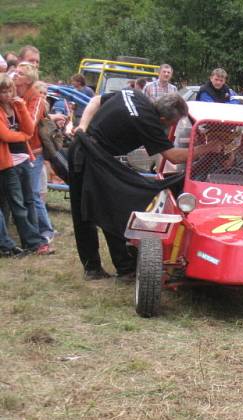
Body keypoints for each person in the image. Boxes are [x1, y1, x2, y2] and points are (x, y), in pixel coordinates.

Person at [69, 91, 212, 279]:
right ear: (162, 118)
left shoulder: (135, 95)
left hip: (90, 150)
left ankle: (121, 266)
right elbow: (173, 156)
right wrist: (208, 148)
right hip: (90, 157)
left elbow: (96, 100)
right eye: (170, 124)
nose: (169, 127)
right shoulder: (149, 122)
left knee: (105, 208)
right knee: (100, 211)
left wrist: (82, 126)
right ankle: (102, 268)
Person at [0, 73, 51, 255]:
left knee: (29, 200)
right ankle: (33, 243)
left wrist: (21, 106)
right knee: (18, 204)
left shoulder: (16, 105)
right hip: (7, 163)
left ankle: (32, 241)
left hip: (23, 158)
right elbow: (5, 135)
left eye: (9, 90)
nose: (7, 94)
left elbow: (30, 127)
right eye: (3, 91)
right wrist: (24, 136)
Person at [15, 62, 55, 243]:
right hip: (21, 151)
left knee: (32, 193)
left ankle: (46, 231)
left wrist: (18, 106)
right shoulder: (17, 95)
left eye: (19, 73)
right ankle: (32, 230)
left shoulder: (36, 98)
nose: (15, 75)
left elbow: (30, 124)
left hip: (34, 151)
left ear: (28, 80)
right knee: (26, 193)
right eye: (15, 72)